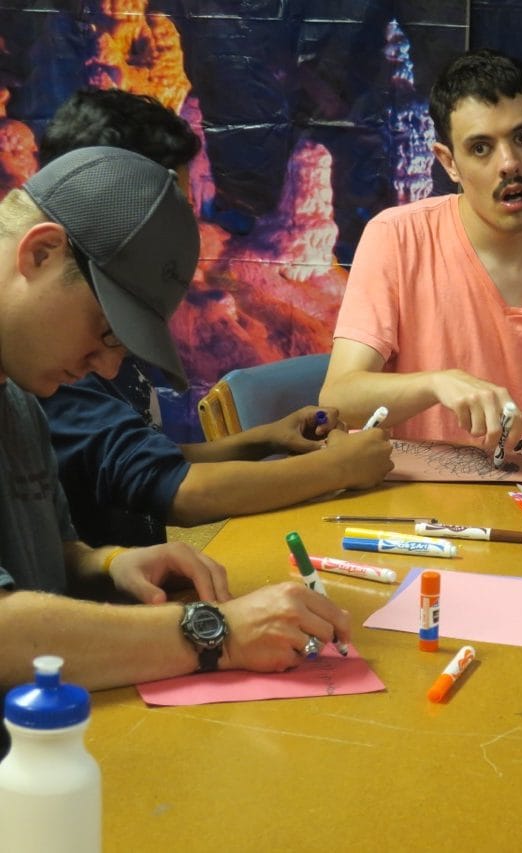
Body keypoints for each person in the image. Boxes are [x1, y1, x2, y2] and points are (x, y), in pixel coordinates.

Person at [0, 146, 351, 736]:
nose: (107, 369)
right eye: (106, 332)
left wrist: (111, 562)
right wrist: (217, 633)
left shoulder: (19, 403)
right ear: (40, 253)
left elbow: (45, 555)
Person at [35, 88, 392, 547]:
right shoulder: (59, 355)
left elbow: (145, 458)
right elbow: (173, 488)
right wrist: (337, 468)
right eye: (174, 209)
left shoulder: (95, 327)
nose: (185, 231)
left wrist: (263, 440)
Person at [319, 48, 522, 462]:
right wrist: (436, 384)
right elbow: (338, 398)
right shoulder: (396, 238)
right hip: (409, 497)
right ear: (449, 163)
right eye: (481, 148)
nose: (509, 164)